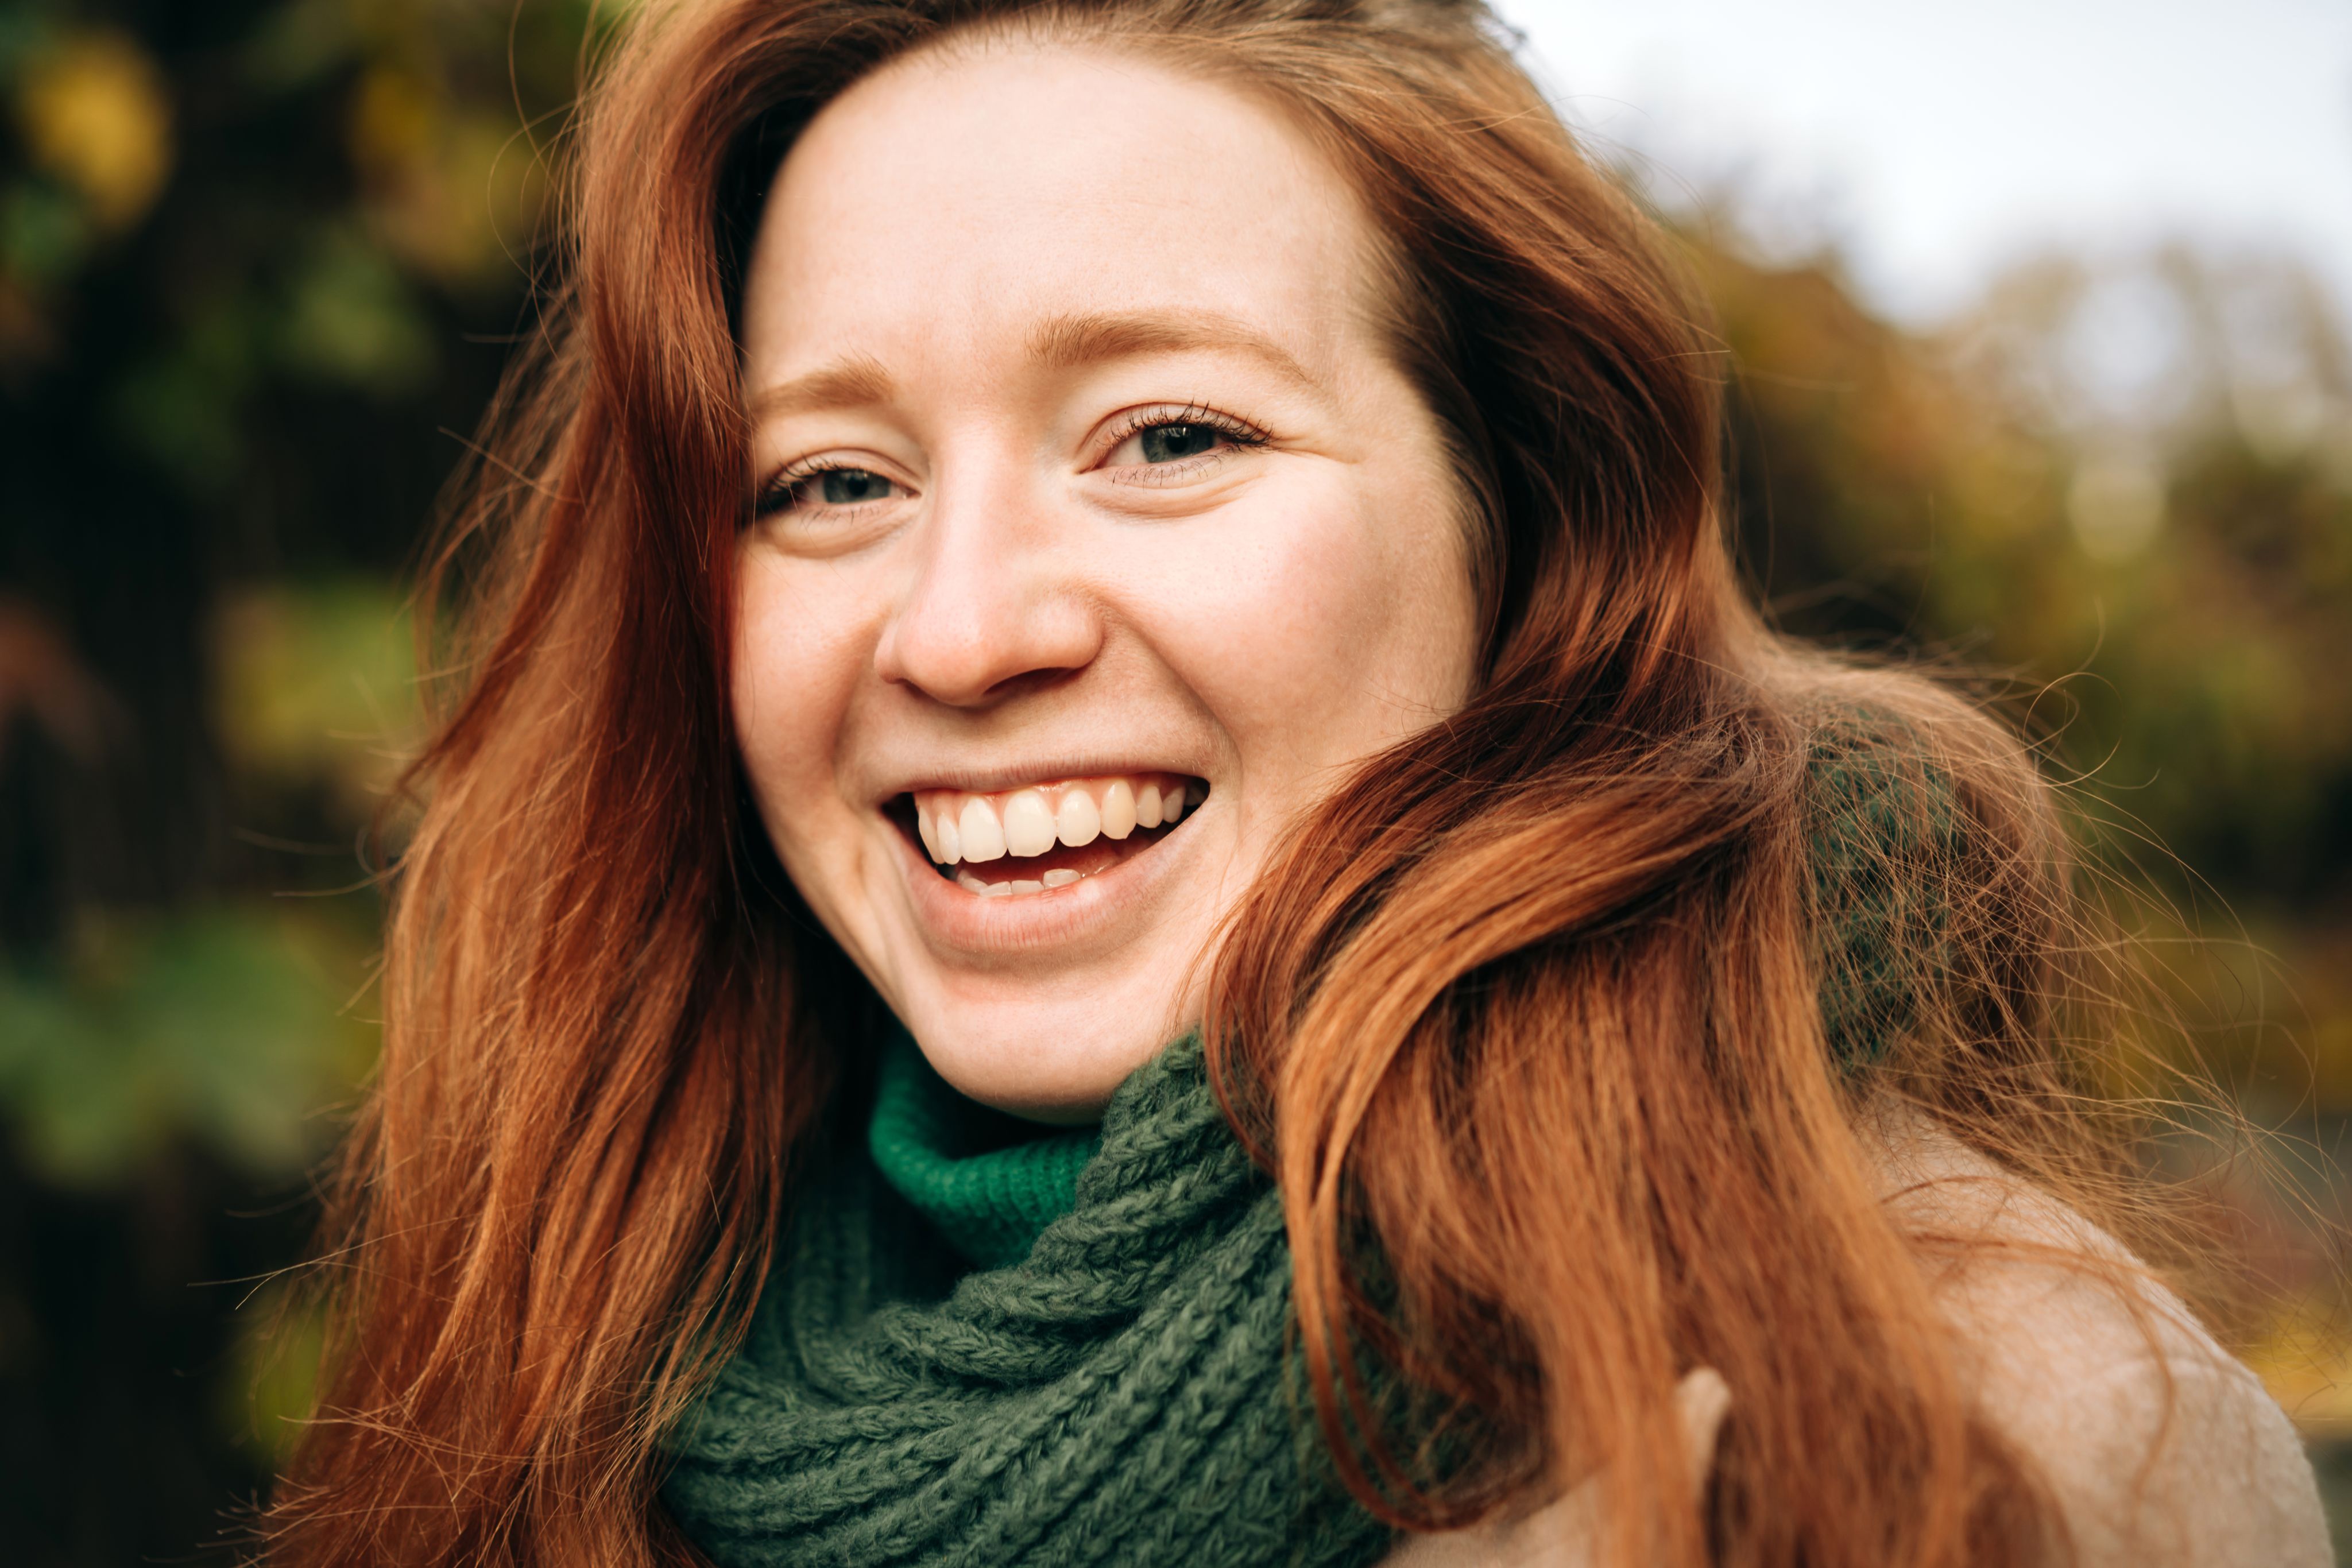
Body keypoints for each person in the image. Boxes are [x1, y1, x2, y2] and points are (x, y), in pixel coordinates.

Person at [260, 1, 2331, 1563]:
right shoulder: (556, 1354)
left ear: (1518, 527)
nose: (965, 630)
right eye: (831, 480)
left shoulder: (1966, 1430)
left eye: (1169, 436)